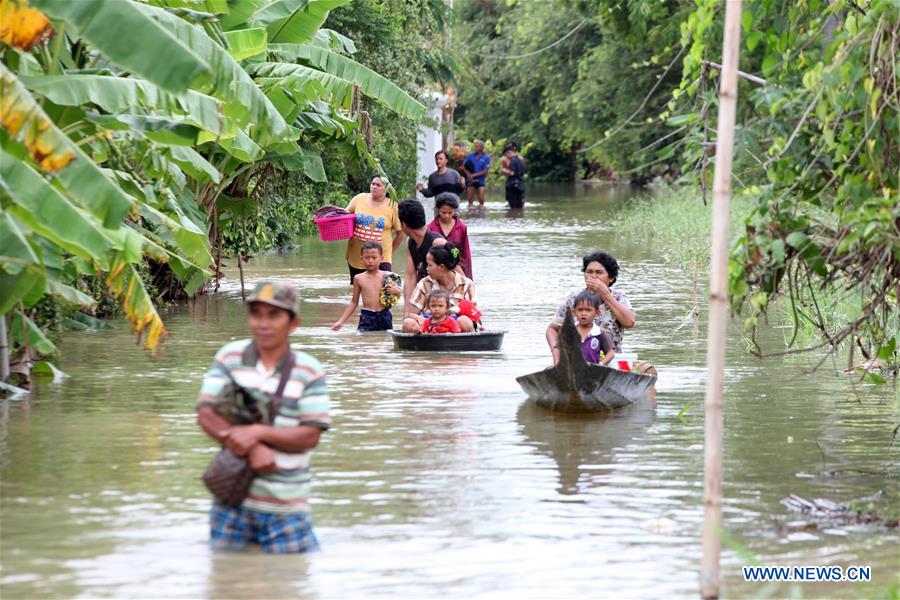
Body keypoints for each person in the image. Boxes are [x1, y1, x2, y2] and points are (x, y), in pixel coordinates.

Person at [196, 281, 330, 553]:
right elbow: (206, 413)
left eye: (274, 315)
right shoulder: (230, 357)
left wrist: (258, 434)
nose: (263, 324)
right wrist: (253, 448)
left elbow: (309, 436)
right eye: (256, 314)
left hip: (287, 508)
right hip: (231, 503)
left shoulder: (309, 370)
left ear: (293, 323)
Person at [546, 251, 635, 365]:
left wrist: (606, 295)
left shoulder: (619, 297)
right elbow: (553, 329)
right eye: (589, 272)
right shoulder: (575, 298)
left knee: (648, 370)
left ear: (611, 278)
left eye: (599, 272)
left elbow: (629, 322)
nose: (593, 276)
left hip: (612, 362)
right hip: (575, 362)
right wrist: (556, 354)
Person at [403, 243, 480, 333]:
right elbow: (410, 314)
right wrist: (419, 318)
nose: (426, 268)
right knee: (407, 323)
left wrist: (479, 327)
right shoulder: (425, 283)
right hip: (430, 328)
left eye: (430, 265)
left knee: (464, 320)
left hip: (456, 329)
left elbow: (475, 315)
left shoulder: (467, 284)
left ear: (442, 267)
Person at [345, 175, 404, 284]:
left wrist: (390, 252)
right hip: (357, 256)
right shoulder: (359, 199)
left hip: (382, 257)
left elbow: (401, 233)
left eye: (378, 185)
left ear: (386, 189)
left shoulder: (393, 206)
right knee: (359, 288)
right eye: (373, 184)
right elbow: (343, 217)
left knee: (384, 291)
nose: (374, 187)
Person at [331, 242, 401, 332]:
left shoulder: (387, 276)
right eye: (367, 258)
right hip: (367, 316)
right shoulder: (358, 278)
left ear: (382, 258)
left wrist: (397, 292)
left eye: (374, 258)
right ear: (361, 259)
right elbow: (354, 302)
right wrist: (340, 322)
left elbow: (395, 299)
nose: (370, 261)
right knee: (365, 339)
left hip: (384, 315)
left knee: (384, 339)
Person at [398, 199, 447, 305]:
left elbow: (457, 276)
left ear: (403, 224)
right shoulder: (409, 243)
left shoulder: (438, 243)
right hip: (427, 295)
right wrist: (407, 310)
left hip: (445, 300)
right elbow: (410, 277)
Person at [426, 192, 473, 279]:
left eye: (450, 212)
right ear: (438, 209)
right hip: (437, 272)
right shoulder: (430, 229)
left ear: (455, 211)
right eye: (443, 212)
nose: (447, 216)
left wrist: (469, 279)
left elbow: (466, 255)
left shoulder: (462, 228)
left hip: (457, 271)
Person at [572, 291, 615, 366]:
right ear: (574, 312)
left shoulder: (599, 332)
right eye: (580, 310)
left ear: (597, 313)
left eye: (588, 310)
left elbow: (610, 353)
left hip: (592, 373)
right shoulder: (570, 331)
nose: (583, 313)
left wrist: (601, 364)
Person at [462, 140, 491, 209]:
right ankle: (471, 213)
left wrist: (474, 175)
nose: (475, 148)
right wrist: (469, 175)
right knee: (470, 200)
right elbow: (464, 166)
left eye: (476, 147)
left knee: (481, 200)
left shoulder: (486, 157)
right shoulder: (470, 155)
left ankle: (481, 214)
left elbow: (485, 171)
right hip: (471, 180)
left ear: (481, 148)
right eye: (475, 146)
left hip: (480, 180)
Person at [500, 142, 526, 209]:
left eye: (506, 155)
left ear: (508, 153)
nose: (506, 157)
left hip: (513, 185)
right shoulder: (520, 159)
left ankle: (513, 217)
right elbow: (522, 172)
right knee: (519, 206)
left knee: (513, 207)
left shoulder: (513, 160)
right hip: (520, 184)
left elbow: (512, 173)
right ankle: (518, 217)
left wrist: (504, 171)